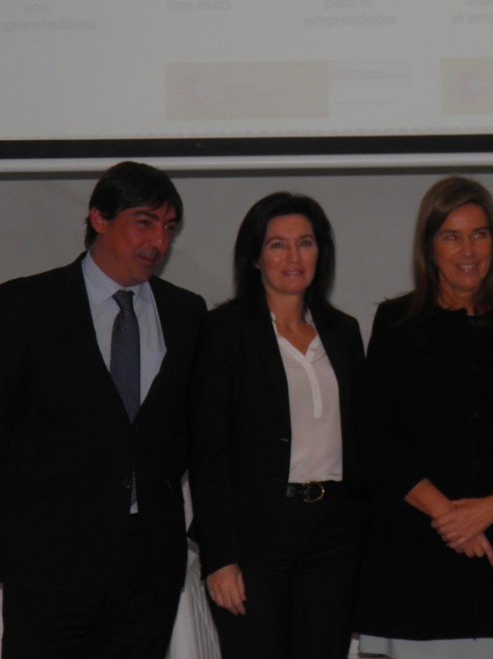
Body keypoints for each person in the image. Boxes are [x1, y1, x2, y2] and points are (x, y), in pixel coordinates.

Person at [0, 161, 208, 659]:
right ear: (99, 217)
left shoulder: (186, 313)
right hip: (50, 558)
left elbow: (188, 428)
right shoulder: (29, 303)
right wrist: (41, 506)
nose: (158, 242)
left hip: (148, 564)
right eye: (144, 222)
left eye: (168, 227)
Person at [356, 176, 493, 659]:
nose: (468, 250)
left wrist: (492, 508)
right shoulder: (395, 324)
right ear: (430, 247)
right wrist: (449, 517)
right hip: (415, 562)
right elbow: (379, 440)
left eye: (479, 234)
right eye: (451, 236)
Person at [189, 192, 367, 658]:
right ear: (254, 257)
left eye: (305, 243)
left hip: (334, 537)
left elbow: (362, 439)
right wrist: (220, 558)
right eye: (277, 245)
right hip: (254, 538)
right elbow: (208, 450)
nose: (293, 257)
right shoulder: (225, 330)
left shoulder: (344, 331)